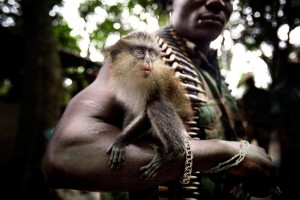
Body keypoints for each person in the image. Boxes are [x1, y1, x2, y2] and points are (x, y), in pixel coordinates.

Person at [43, 0, 278, 199]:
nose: (217, 2)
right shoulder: (137, 54)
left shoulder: (212, 69)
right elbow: (66, 154)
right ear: (169, 3)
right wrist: (226, 153)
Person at [270, 62, 300, 200]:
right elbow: (277, 116)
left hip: (296, 135)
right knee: (287, 167)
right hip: (288, 136)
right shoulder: (280, 91)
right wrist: (283, 137)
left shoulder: (296, 90)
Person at [241, 75, 273, 153]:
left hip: (259, 125)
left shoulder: (247, 96)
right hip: (259, 125)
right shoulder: (262, 93)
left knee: (246, 149)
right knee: (263, 150)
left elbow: (245, 112)